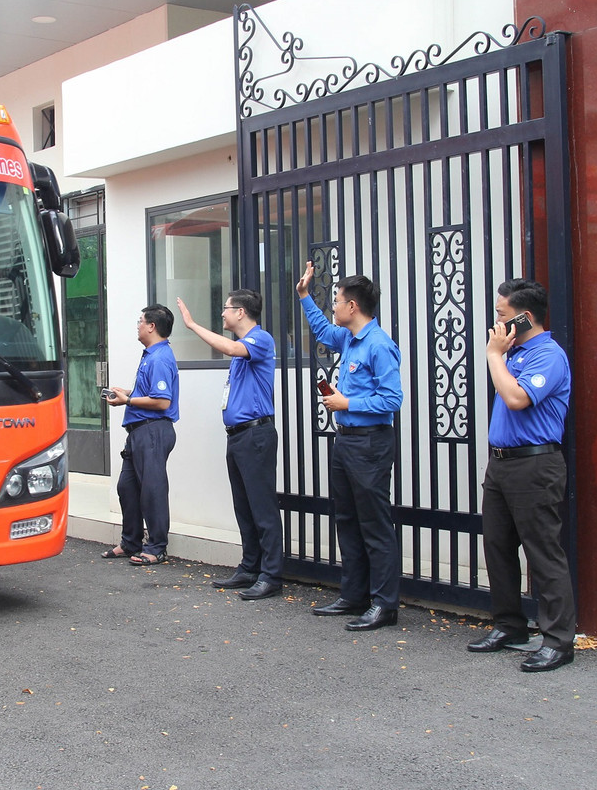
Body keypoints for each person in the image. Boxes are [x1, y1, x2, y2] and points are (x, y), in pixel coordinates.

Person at [466, 279, 577, 672]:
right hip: (502, 464)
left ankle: (559, 640)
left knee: (543, 552)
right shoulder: (513, 353)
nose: (496, 322)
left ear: (525, 317)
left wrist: (493, 354)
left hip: (535, 465)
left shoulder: (548, 355)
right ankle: (509, 625)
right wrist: (501, 355)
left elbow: (517, 398)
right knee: (497, 546)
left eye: (502, 314)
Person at [297, 263, 404, 631]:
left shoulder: (379, 344)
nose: (334, 308)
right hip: (347, 441)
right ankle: (354, 595)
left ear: (353, 306)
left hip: (370, 442)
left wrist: (348, 403)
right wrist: (304, 296)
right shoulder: (349, 338)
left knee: (374, 523)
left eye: (337, 301)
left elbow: (392, 399)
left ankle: (385, 604)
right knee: (347, 519)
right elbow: (323, 331)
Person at [176, 290, 283, 600]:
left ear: (241, 312)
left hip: (256, 435)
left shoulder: (259, 339)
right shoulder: (242, 349)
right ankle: (250, 567)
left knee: (262, 508)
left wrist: (192, 325)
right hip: (237, 436)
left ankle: (271, 575)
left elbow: (231, 347)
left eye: (226, 308)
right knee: (244, 507)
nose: (222, 313)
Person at [101, 305, 179, 566]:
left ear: (152, 326)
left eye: (140, 321)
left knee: (152, 490)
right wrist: (128, 393)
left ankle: (157, 547)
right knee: (127, 487)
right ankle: (130, 542)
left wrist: (128, 400)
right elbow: (149, 394)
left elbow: (162, 401)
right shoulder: (150, 355)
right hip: (139, 431)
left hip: (153, 431)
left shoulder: (160, 358)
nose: (137, 326)